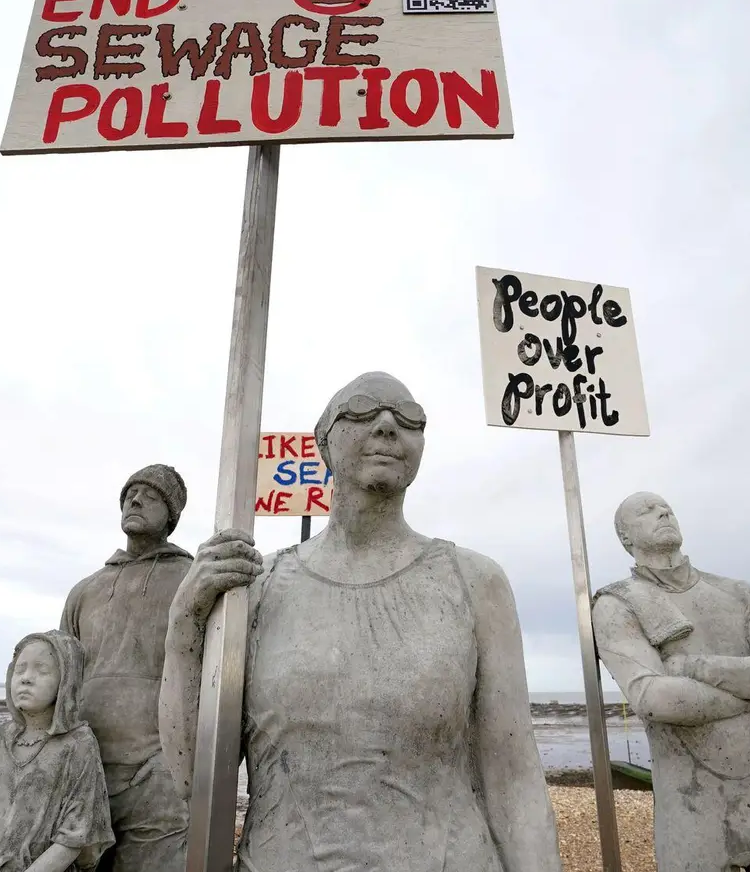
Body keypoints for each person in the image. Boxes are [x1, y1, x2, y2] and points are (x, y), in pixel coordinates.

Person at [160, 371, 563, 872]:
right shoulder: (261, 588)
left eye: (409, 419)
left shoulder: (475, 581)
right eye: (362, 412)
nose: (389, 426)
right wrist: (185, 626)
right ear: (323, 444)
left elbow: (515, 779)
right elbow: (191, 777)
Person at [591, 492, 750, 872]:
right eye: (647, 510)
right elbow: (654, 697)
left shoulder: (739, 594)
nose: (663, 511)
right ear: (625, 537)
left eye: (666, 507)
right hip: (693, 808)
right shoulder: (619, 602)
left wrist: (697, 667)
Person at [59, 464, 193, 872]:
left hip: (158, 772)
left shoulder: (191, 580)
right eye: (130, 494)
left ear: (171, 514)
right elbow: (62, 678)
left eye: (150, 495)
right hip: (85, 769)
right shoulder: (85, 590)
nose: (135, 500)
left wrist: (183, 763)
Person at [0, 630, 114, 872]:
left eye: (42, 670)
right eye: (20, 669)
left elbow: (73, 835)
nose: (26, 678)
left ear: (65, 681)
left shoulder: (78, 746)